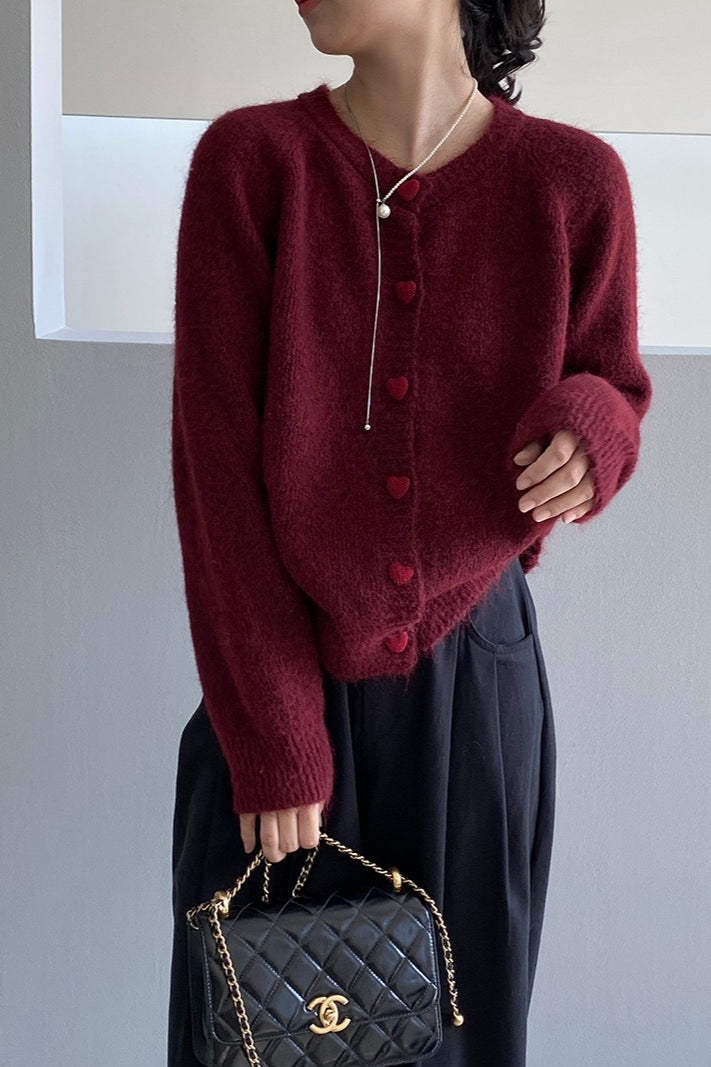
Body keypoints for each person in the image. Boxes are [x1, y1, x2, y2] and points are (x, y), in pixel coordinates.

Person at [167, 2, 653, 1064]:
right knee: (260, 1029)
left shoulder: (573, 182)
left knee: (461, 1034)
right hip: (279, 684)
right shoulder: (253, 164)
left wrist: (594, 430)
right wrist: (278, 732)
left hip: (479, 692)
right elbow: (215, 479)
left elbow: (613, 380)